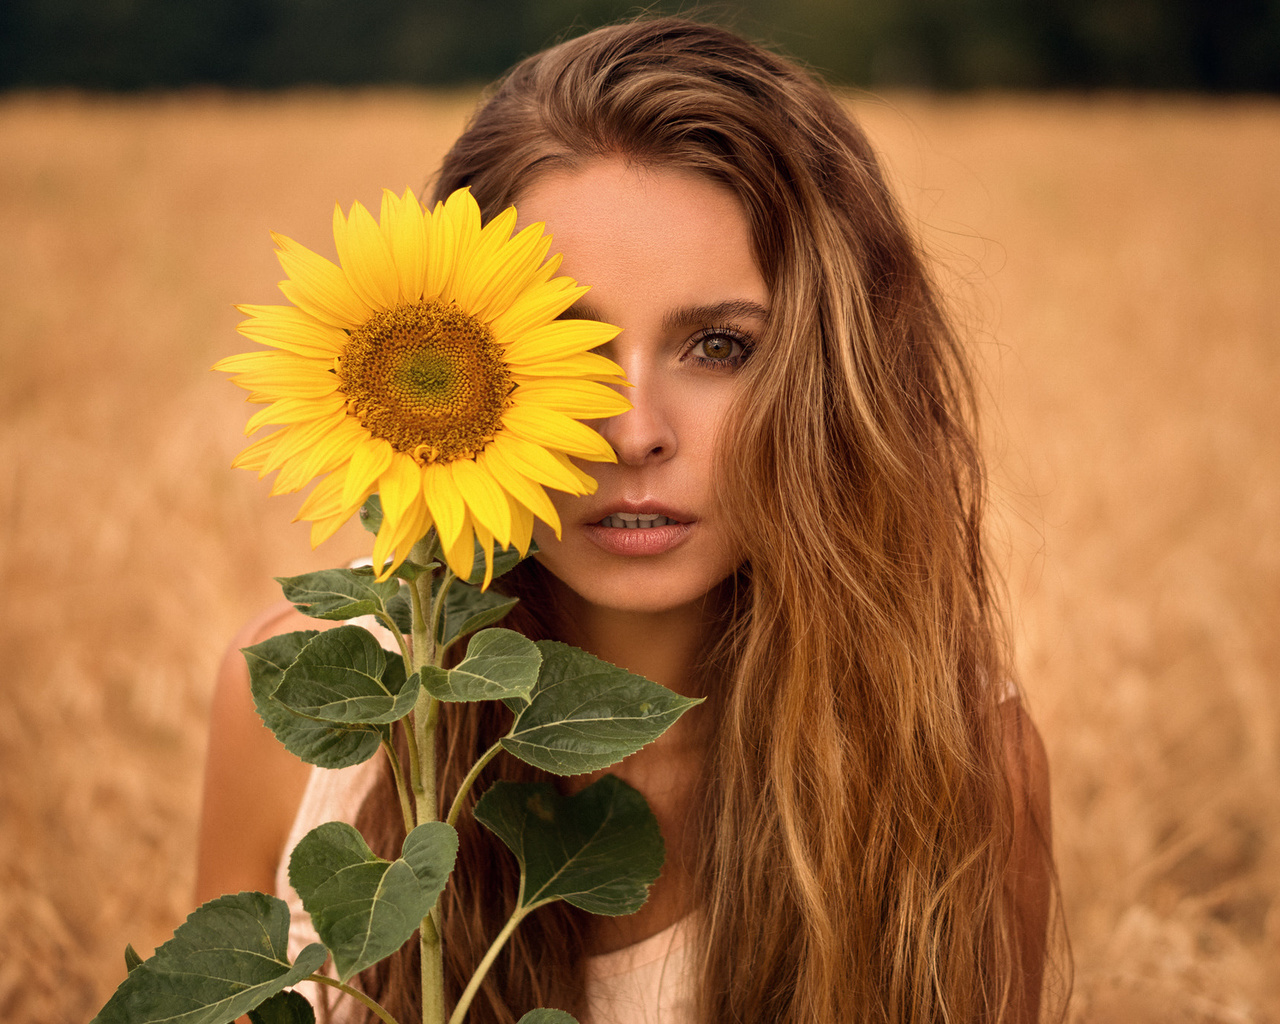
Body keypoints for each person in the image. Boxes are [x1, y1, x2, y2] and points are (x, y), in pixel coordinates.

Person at [197, 17, 1059, 1024]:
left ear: (832, 379)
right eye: (568, 349)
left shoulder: (947, 760)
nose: (632, 433)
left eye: (721, 347)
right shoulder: (308, 709)